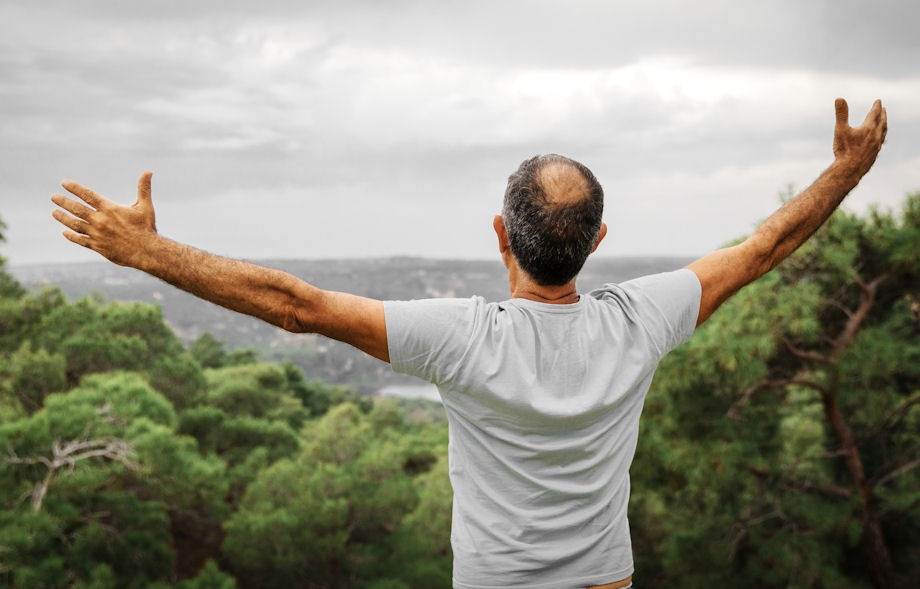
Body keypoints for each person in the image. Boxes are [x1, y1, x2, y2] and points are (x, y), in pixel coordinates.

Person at [51, 98, 887, 589]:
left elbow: (293, 305)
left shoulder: (459, 339)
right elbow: (764, 247)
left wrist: (147, 252)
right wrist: (845, 172)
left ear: (500, 234)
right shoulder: (644, 316)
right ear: (597, 242)